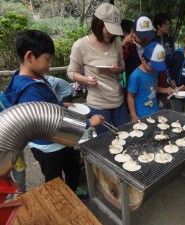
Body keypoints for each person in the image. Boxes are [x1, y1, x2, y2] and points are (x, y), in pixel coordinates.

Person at [4, 30, 104, 197]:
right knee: (54, 179)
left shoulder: (33, 76)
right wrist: (88, 123)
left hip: (59, 141)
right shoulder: (29, 91)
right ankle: (58, 200)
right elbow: (50, 123)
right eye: (47, 60)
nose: (49, 65)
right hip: (47, 146)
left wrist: (60, 104)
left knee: (72, 168)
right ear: (30, 57)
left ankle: (72, 192)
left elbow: (46, 105)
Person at [67, 3, 129, 135]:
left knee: (126, 135)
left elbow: (123, 67)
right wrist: (86, 80)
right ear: (98, 23)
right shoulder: (81, 45)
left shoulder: (116, 42)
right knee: (105, 142)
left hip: (119, 101)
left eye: (114, 30)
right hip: (99, 105)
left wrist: (117, 69)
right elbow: (71, 72)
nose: (112, 34)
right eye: (109, 29)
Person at [127, 42, 174, 121]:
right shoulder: (135, 76)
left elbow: (154, 87)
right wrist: (133, 116)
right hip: (142, 116)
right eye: (153, 66)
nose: (154, 69)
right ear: (143, 59)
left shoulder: (154, 71)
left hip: (156, 112)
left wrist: (167, 90)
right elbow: (130, 97)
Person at [153, 12, 175, 109]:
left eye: (168, 24)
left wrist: (171, 77)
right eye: (165, 24)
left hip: (166, 75)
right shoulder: (151, 39)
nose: (168, 26)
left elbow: (172, 58)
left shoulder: (170, 39)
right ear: (158, 25)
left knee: (166, 101)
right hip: (153, 74)